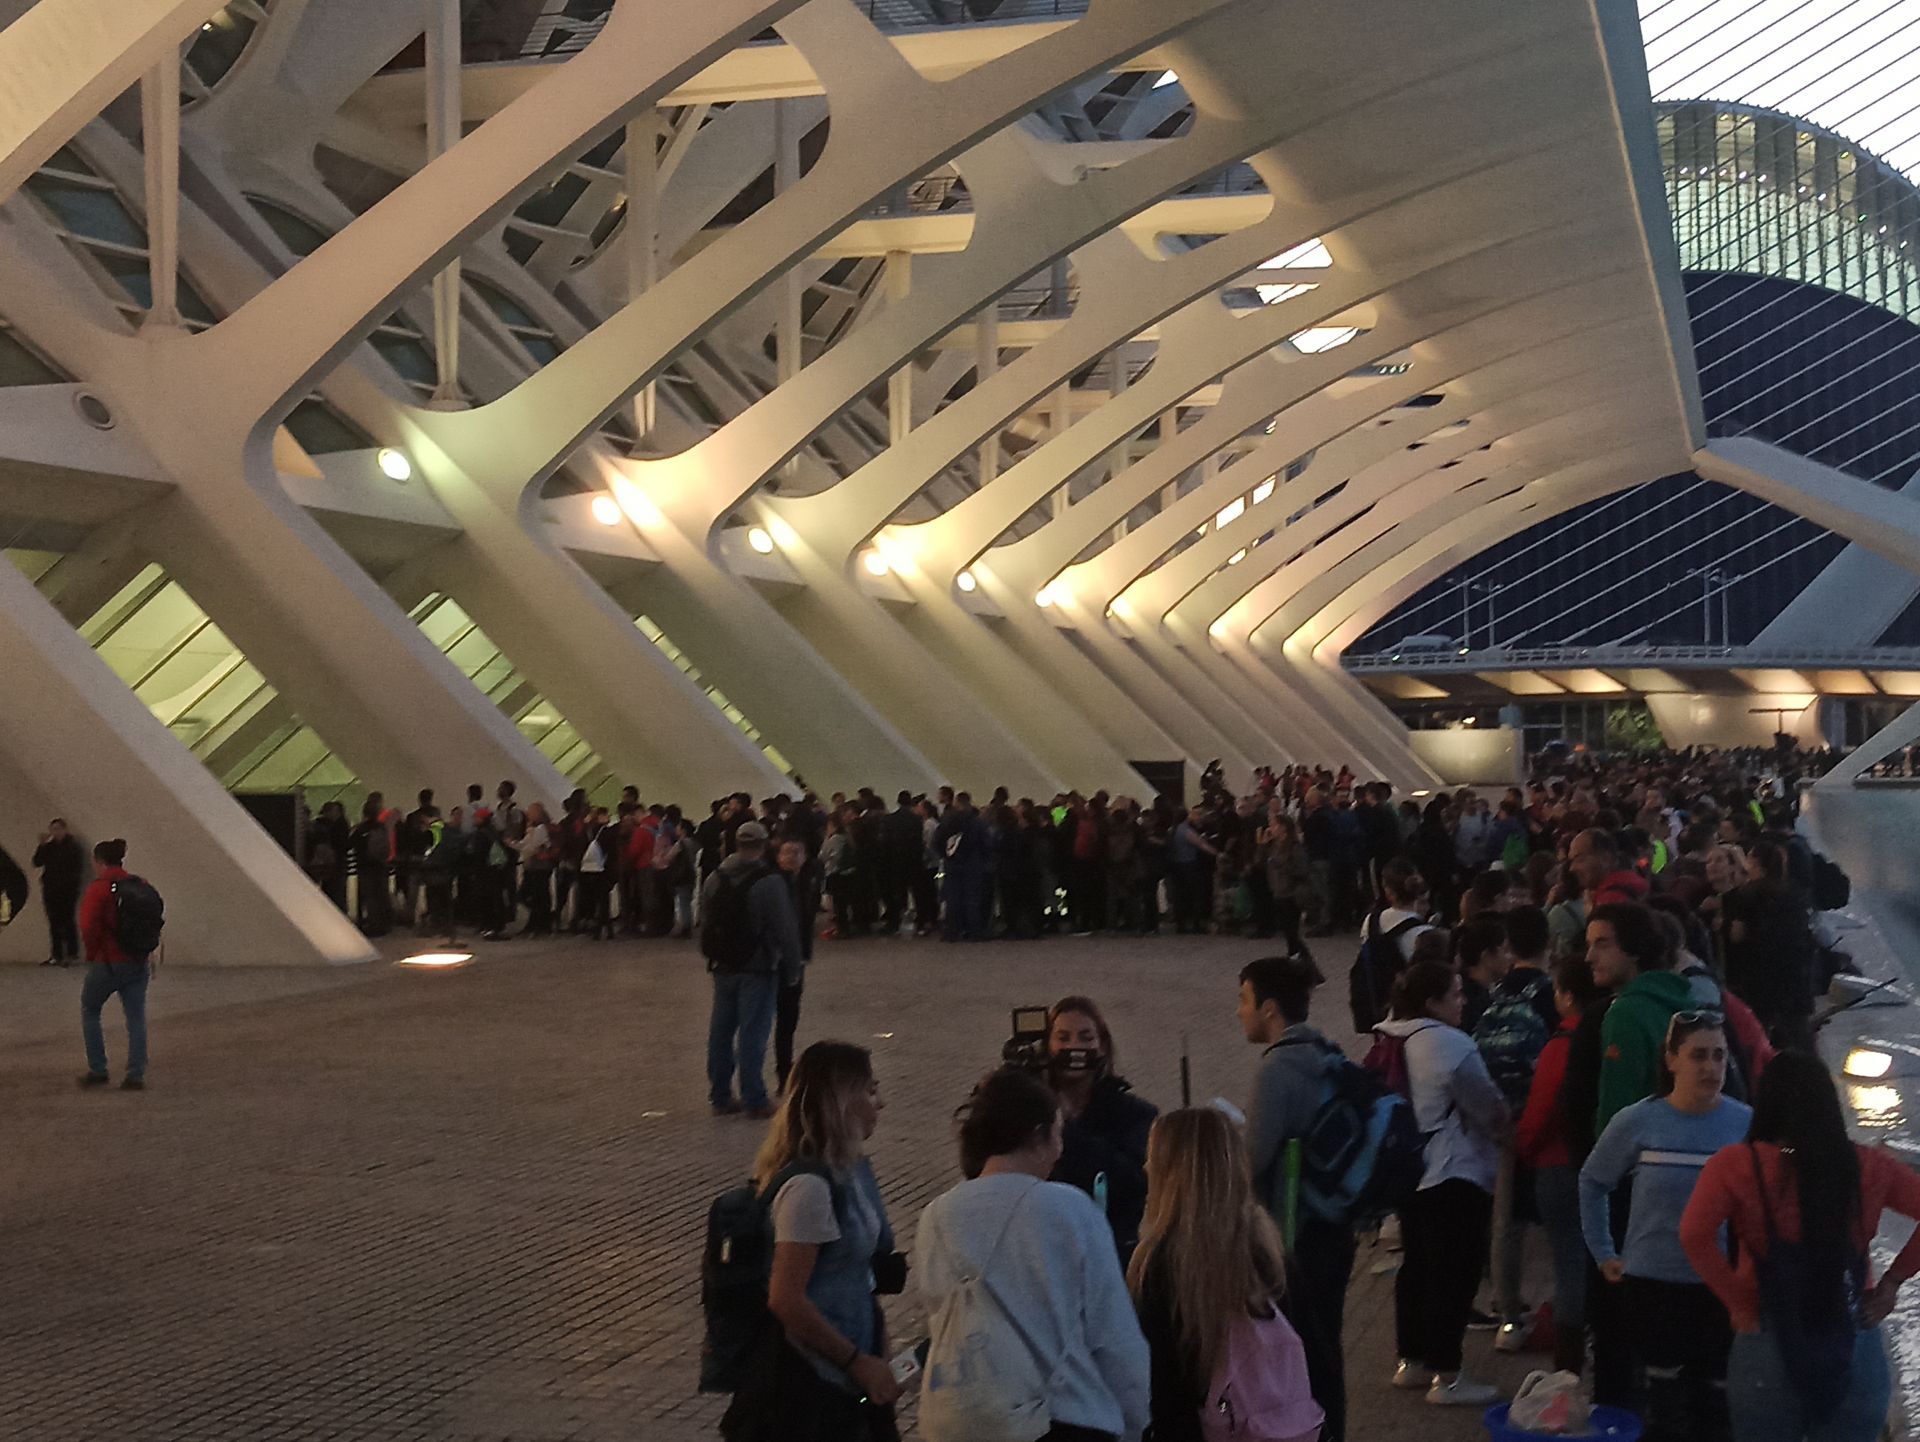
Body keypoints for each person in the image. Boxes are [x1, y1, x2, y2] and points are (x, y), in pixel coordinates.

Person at [1682, 1052, 1920, 1442]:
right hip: (1853, 1335)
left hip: (1766, 1337)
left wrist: (1736, 1301)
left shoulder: (1735, 1165)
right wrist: (1893, 1282)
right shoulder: (1869, 1165)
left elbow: (1693, 1234)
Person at [916, 1067, 1150, 1442]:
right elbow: (1114, 1337)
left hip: (966, 1423)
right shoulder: (1070, 1209)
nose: (1060, 1149)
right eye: (1058, 1134)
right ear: (1039, 1135)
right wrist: (1135, 1422)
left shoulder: (937, 1216)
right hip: (1063, 1419)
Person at [1579, 1011, 1751, 1442]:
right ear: (1672, 1059)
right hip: (1653, 1288)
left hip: (1720, 1289)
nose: (1711, 1067)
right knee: (1663, 1411)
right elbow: (1593, 1181)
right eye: (1698, 1056)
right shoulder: (1638, 1121)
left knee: (1716, 1407)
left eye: (1719, 1056)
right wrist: (1604, 1251)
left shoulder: (1745, 1124)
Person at [721, 1042, 901, 1442]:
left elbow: (856, 1275)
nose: (880, 1102)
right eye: (870, 1091)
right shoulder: (808, 1189)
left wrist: (878, 1351)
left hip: (848, 1376)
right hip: (809, 1385)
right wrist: (857, 1362)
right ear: (842, 1101)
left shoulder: (848, 1173)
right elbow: (786, 1298)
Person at [1127, 1108, 1323, 1442]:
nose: (1146, 1168)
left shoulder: (1158, 1265)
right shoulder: (1269, 1254)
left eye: (1152, 1159)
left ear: (1167, 1172)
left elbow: (1161, 1388)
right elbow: (1317, 1359)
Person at [1376, 959, 1509, 1407]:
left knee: (1416, 1268)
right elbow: (1488, 1107)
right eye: (1454, 993)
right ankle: (1448, 1376)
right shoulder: (1449, 1045)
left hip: (1410, 1171)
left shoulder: (1392, 1034)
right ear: (1432, 1002)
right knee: (1455, 1273)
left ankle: (1410, 1361)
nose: (1463, 1000)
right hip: (1454, 1171)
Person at [1238, 953, 1355, 1442]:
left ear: (1269, 1008)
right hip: (1336, 1222)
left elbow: (1252, 1160)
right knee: (1326, 1343)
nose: (1239, 1011)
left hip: (1295, 1231)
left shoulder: (1278, 1070)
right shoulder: (1328, 1054)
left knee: (1305, 1351)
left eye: (1244, 1000)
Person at [1516, 954, 1606, 1375]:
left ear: (1569, 997)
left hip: (1558, 1165)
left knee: (1569, 1264)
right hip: (1600, 1166)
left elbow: (1540, 1111)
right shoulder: (1610, 1033)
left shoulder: (1563, 1045)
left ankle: (1569, 1364)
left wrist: (1525, 1150)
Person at [1043, 996, 1157, 1262]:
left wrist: (1067, 1128)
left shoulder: (1135, 1114)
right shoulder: (1029, 1112)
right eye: (1063, 1037)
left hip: (1110, 1251)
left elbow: (1131, 1181)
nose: (1075, 1047)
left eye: (1086, 1037)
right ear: (1047, 1045)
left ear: (1102, 1046)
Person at [701, 821, 802, 1119]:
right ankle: (754, 1098)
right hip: (757, 966)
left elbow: (704, 921)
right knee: (753, 1032)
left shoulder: (714, 878)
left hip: (723, 966)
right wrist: (793, 967)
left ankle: (720, 1095)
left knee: (720, 1030)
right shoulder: (769, 882)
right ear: (763, 845)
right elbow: (785, 929)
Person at [1720, 838, 1817, 1047]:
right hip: (1793, 972)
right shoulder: (1792, 894)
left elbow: (1738, 934)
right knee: (1797, 1032)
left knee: (1759, 1030)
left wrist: (1722, 925)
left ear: (1756, 863)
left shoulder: (1747, 894)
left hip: (1759, 973)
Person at [76, 838, 153, 1091]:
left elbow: (88, 926)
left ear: (99, 861)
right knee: (136, 1017)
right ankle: (135, 1074)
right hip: (137, 961)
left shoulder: (98, 889)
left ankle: (98, 1069)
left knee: (90, 1009)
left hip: (108, 961)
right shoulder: (140, 884)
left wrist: (92, 954)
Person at [774, 838, 821, 1094]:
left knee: (786, 1018)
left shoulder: (804, 883)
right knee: (783, 1018)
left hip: (794, 957)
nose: (792, 857)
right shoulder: (781, 885)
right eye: (788, 852)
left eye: (796, 853)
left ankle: (784, 1072)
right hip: (781, 960)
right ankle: (782, 1072)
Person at [32, 818, 85, 966]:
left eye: (57, 829)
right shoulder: (49, 847)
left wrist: (71, 886)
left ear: (64, 829)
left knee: (67, 920)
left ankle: (72, 954)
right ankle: (56, 954)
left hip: (67, 890)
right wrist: (41, 846)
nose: (55, 833)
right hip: (50, 889)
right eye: (52, 829)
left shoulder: (73, 847)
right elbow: (37, 862)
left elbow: (77, 869)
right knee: (53, 921)